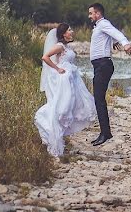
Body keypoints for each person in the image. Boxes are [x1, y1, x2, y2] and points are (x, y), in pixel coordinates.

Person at [34, 23, 97, 157]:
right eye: (69, 30)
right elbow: (45, 57)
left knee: (72, 106)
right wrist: (57, 69)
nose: (72, 31)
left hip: (71, 79)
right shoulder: (60, 46)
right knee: (63, 107)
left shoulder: (66, 46)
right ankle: (53, 134)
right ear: (63, 34)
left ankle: (61, 134)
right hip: (63, 80)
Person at [88, 3, 131, 146]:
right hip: (100, 65)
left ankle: (105, 133)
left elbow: (116, 32)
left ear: (98, 13)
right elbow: (110, 36)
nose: (89, 16)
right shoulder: (99, 27)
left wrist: (125, 43)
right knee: (99, 98)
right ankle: (105, 132)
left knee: (99, 99)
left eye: (91, 13)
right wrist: (113, 42)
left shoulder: (103, 24)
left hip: (103, 65)